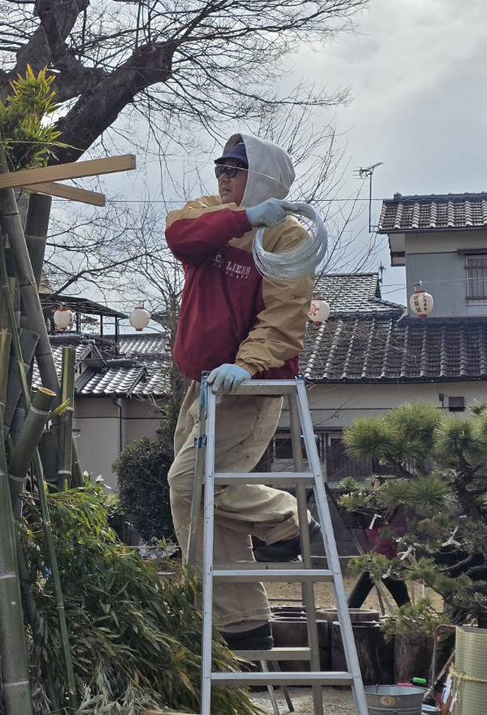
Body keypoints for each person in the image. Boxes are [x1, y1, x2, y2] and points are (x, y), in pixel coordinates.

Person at [165, 133, 315, 652]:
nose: (223, 176)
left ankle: (287, 519)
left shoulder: (287, 238)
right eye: (220, 167)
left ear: (264, 177)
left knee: (191, 482)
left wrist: (246, 365)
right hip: (203, 385)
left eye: (234, 168)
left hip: (250, 386)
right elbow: (180, 237)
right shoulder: (214, 214)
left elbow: (284, 318)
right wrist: (244, 218)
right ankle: (242, 622)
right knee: (196, 501)